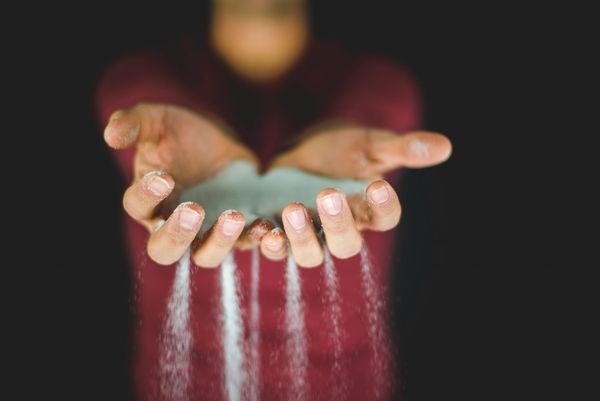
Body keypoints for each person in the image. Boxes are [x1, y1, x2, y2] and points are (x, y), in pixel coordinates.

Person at [96, 0, 452, 399]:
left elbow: (375, 104)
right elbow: (139, 99)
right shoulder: (144, 77)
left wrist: (337, 133)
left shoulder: (377, 80)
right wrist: (180, 132)